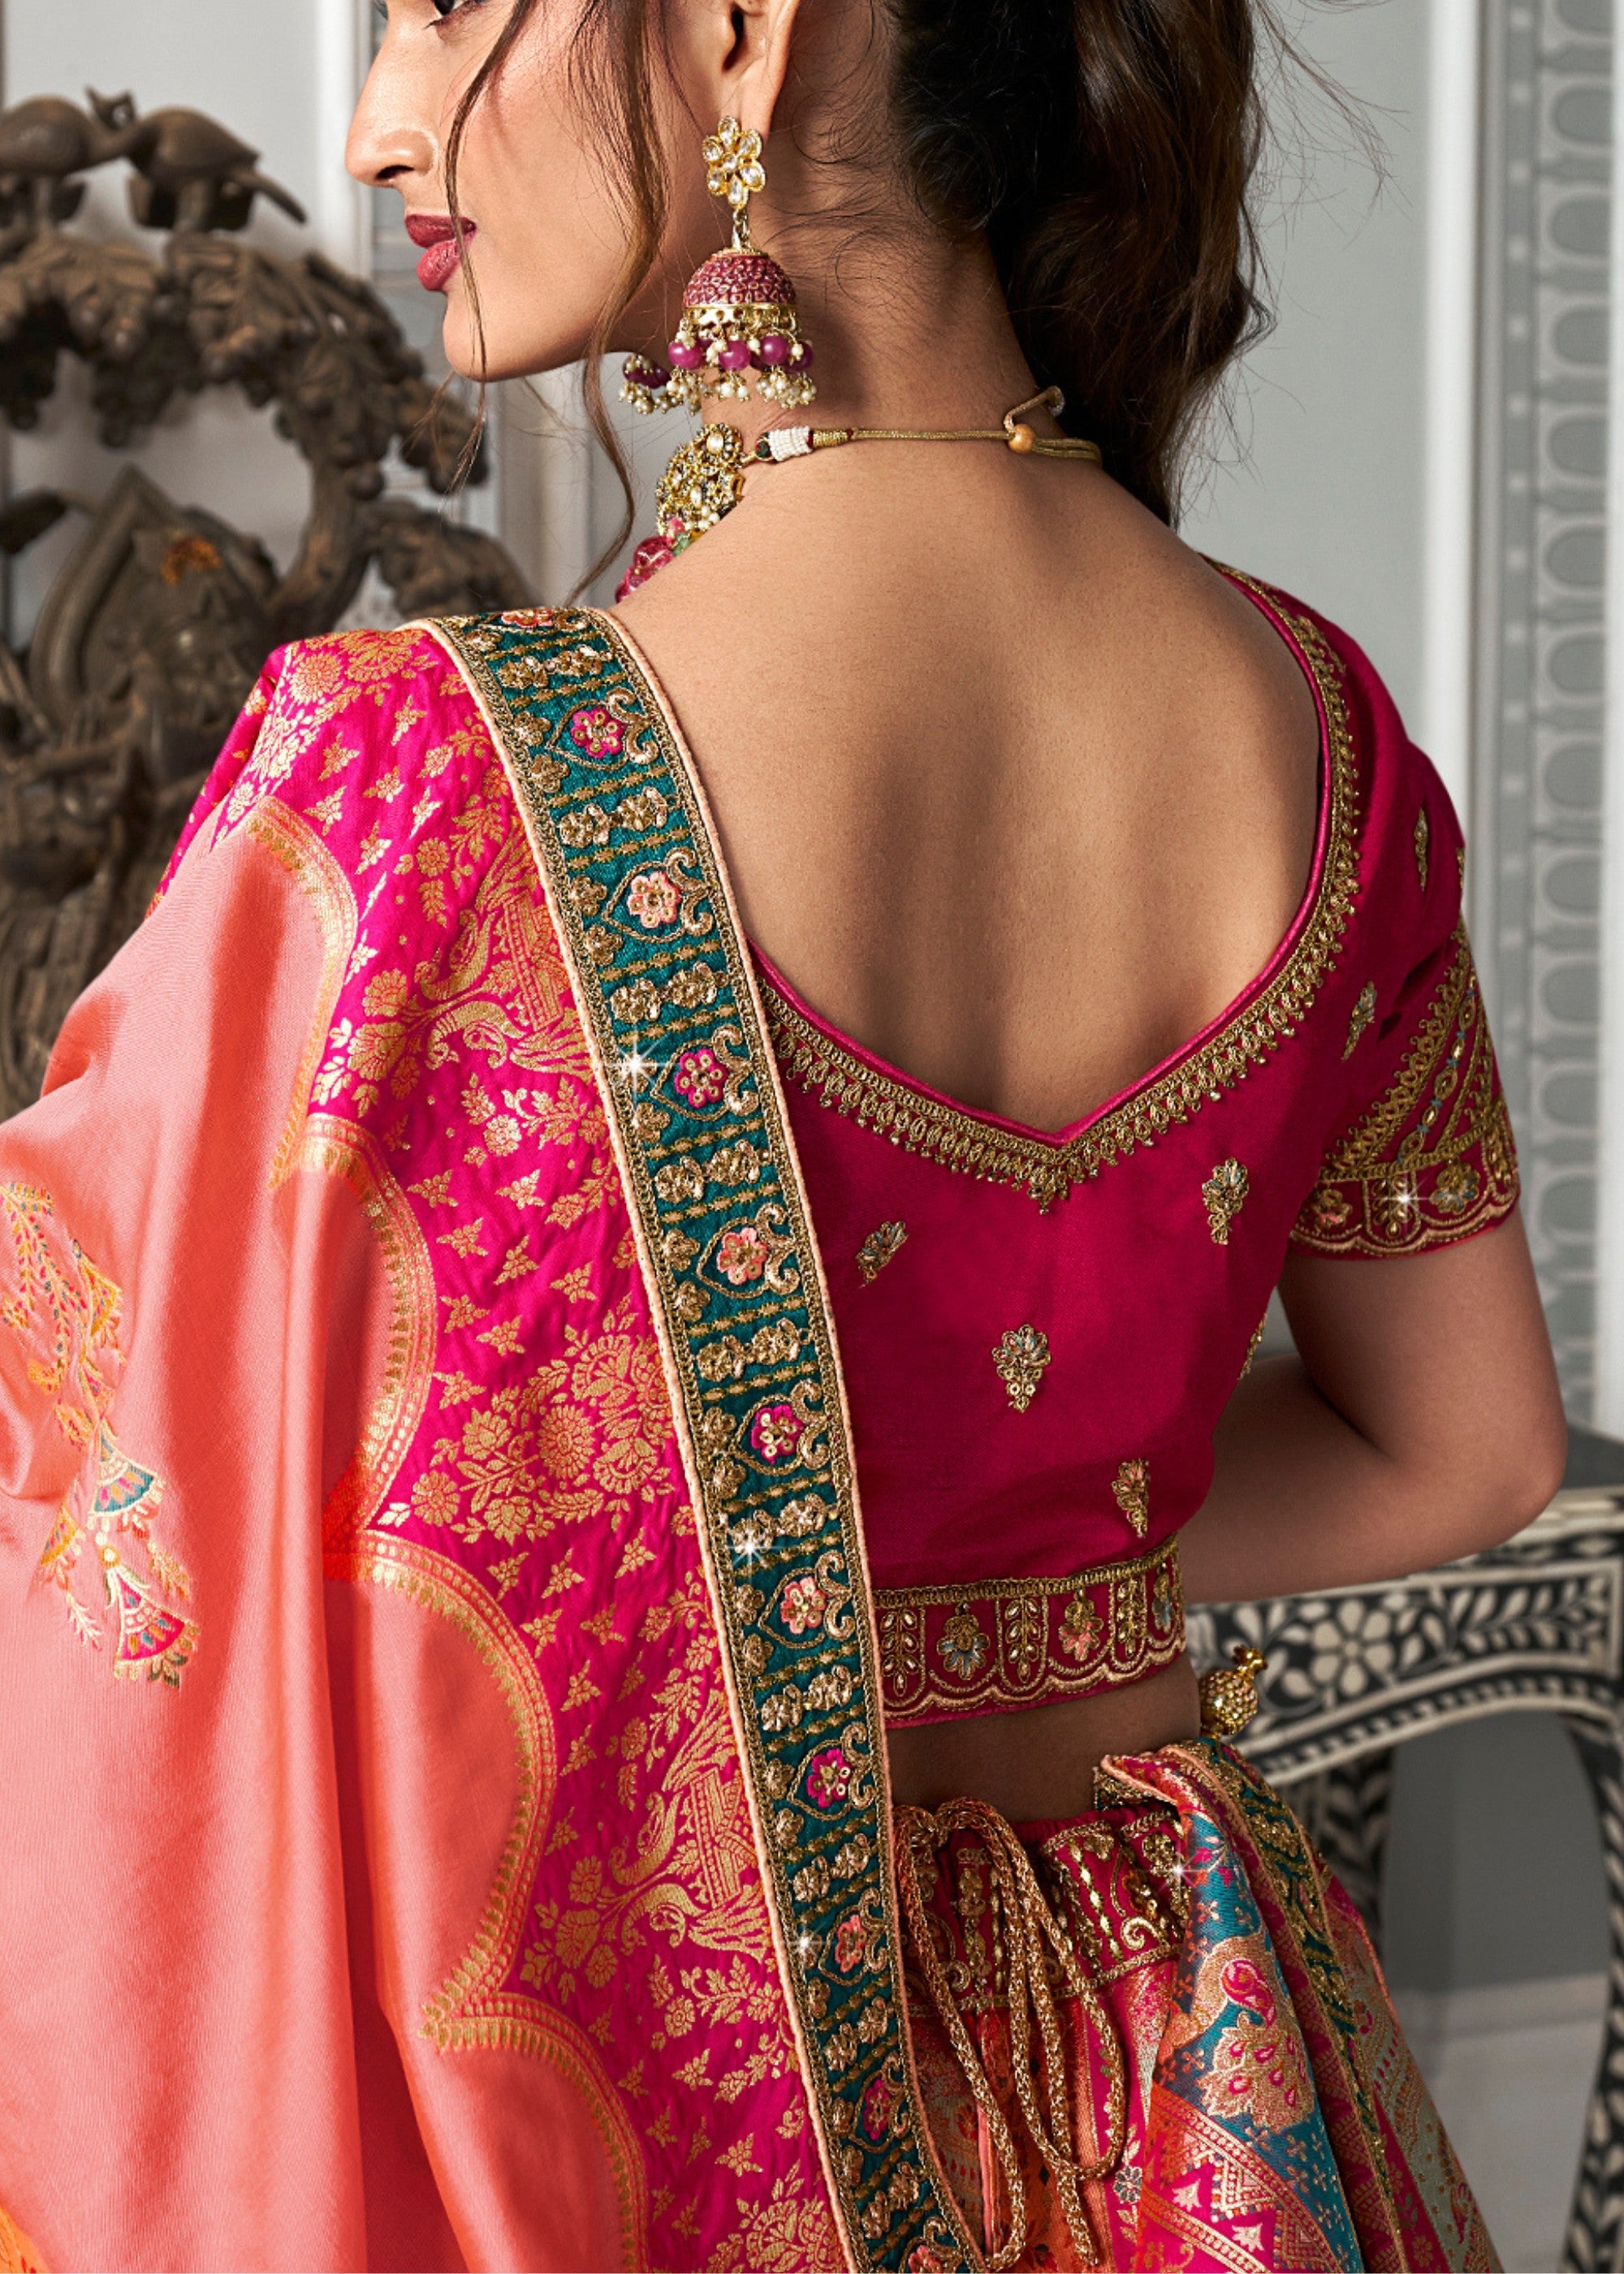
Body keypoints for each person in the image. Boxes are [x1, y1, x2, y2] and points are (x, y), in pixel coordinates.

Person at [0, 0, 1567, 2267]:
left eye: (441, 9)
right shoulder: (1330, 736)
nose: (374, 127)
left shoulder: (422, 795)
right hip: (1205, 2093)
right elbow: (1469, 1455)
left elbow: (109, 1494)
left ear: (745, 35)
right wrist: (1016, 1564)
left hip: (680, 2112)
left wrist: (747, 1573)